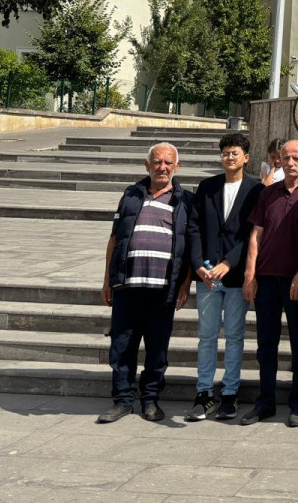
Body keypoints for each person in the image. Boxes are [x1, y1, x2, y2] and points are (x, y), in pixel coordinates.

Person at [96, 143, 194, 424]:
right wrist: (107, 280)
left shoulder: (186, 200)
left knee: (157, 347)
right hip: (127, 285)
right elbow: (115, 239)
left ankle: (150, 400)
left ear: (177, 167)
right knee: (122, 345)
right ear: (147, 165)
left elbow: (189, 247)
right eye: (157, 162)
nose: (162, 167)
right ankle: (123, 401)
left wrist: (185, 284)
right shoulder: (130, 195)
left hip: (163, 288)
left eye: (168, 162)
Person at [185, 131, 261, 422]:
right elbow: (194, 229)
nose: (230, 157)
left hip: (236, 275)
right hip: (206, 276)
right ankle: (203, 395)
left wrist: (230, 262)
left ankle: (229, 394)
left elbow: (253, 233)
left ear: (246, 158)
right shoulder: (206, 187)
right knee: (206, 336)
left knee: (234, 336)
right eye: (226, 152)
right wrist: (199, 265)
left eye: (235, 153)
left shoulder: (256, 190)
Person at [240, 140, 298, 427]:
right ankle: (265, 402)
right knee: (265, 344)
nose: (291, 162)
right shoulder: (267, 193)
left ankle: (297, 404)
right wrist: (250, 273)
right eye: (286, 157)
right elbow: (255, 235)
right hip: (267, 279)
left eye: (296, 158)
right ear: (278, 161)